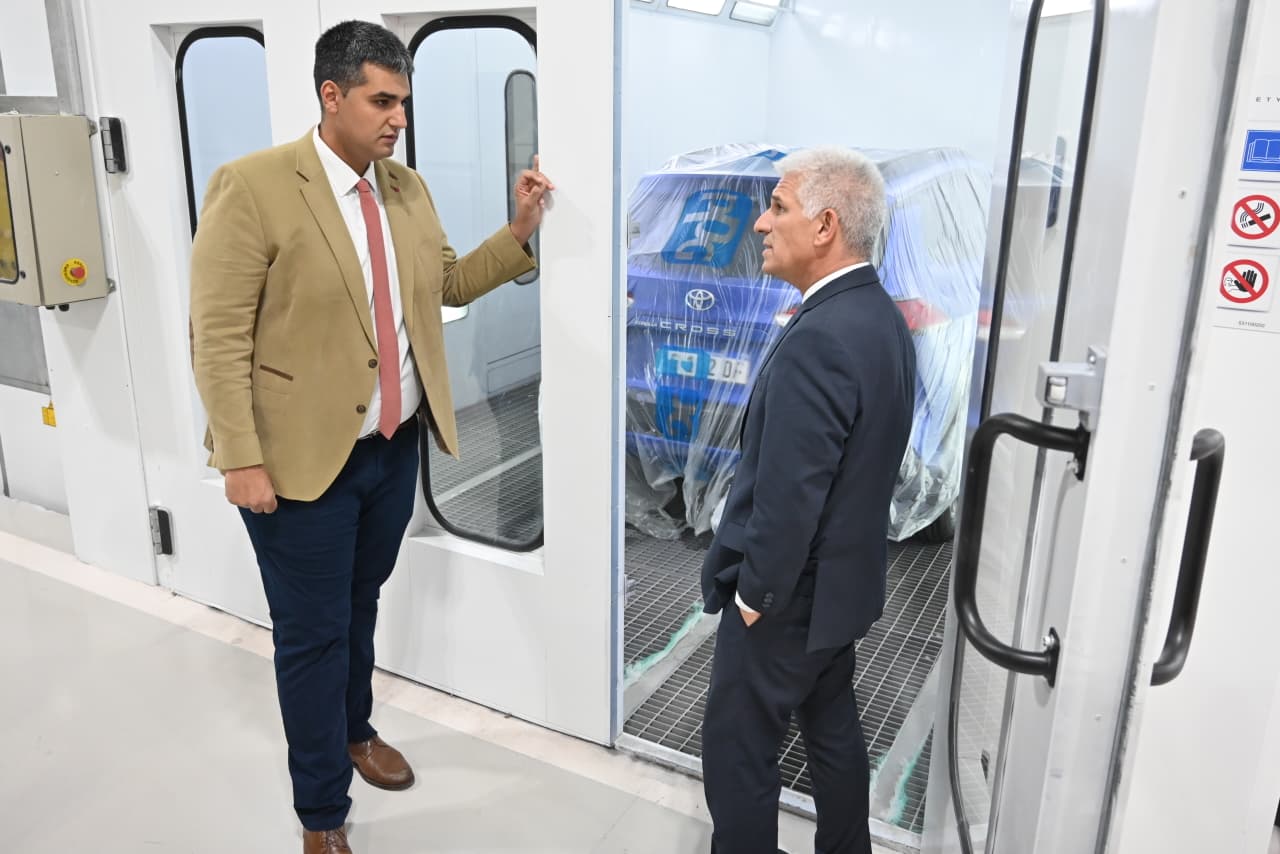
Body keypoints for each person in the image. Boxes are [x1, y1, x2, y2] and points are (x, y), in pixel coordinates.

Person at [189, 20, 553, 854]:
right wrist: (241, 457)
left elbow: (446, 284)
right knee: (311, 636)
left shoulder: (406, 189)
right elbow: (217, 336)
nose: (398, 119)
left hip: (390, 450)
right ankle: (322, 814)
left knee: (359, 605)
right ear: (332, 95)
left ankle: (354, 730)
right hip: (296, 464)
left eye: (403, 102)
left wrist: (519, 231)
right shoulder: (253, 186)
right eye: (382, 101)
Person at [699, 147, 915, 854]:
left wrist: (754, 596)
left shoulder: (821, 337)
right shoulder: (878, 315)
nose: (762, 223)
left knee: (738, 751)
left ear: (825, 226)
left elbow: (791, 495)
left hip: (787, 598)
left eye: (778, 207)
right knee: (831, 730)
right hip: (842, 589)